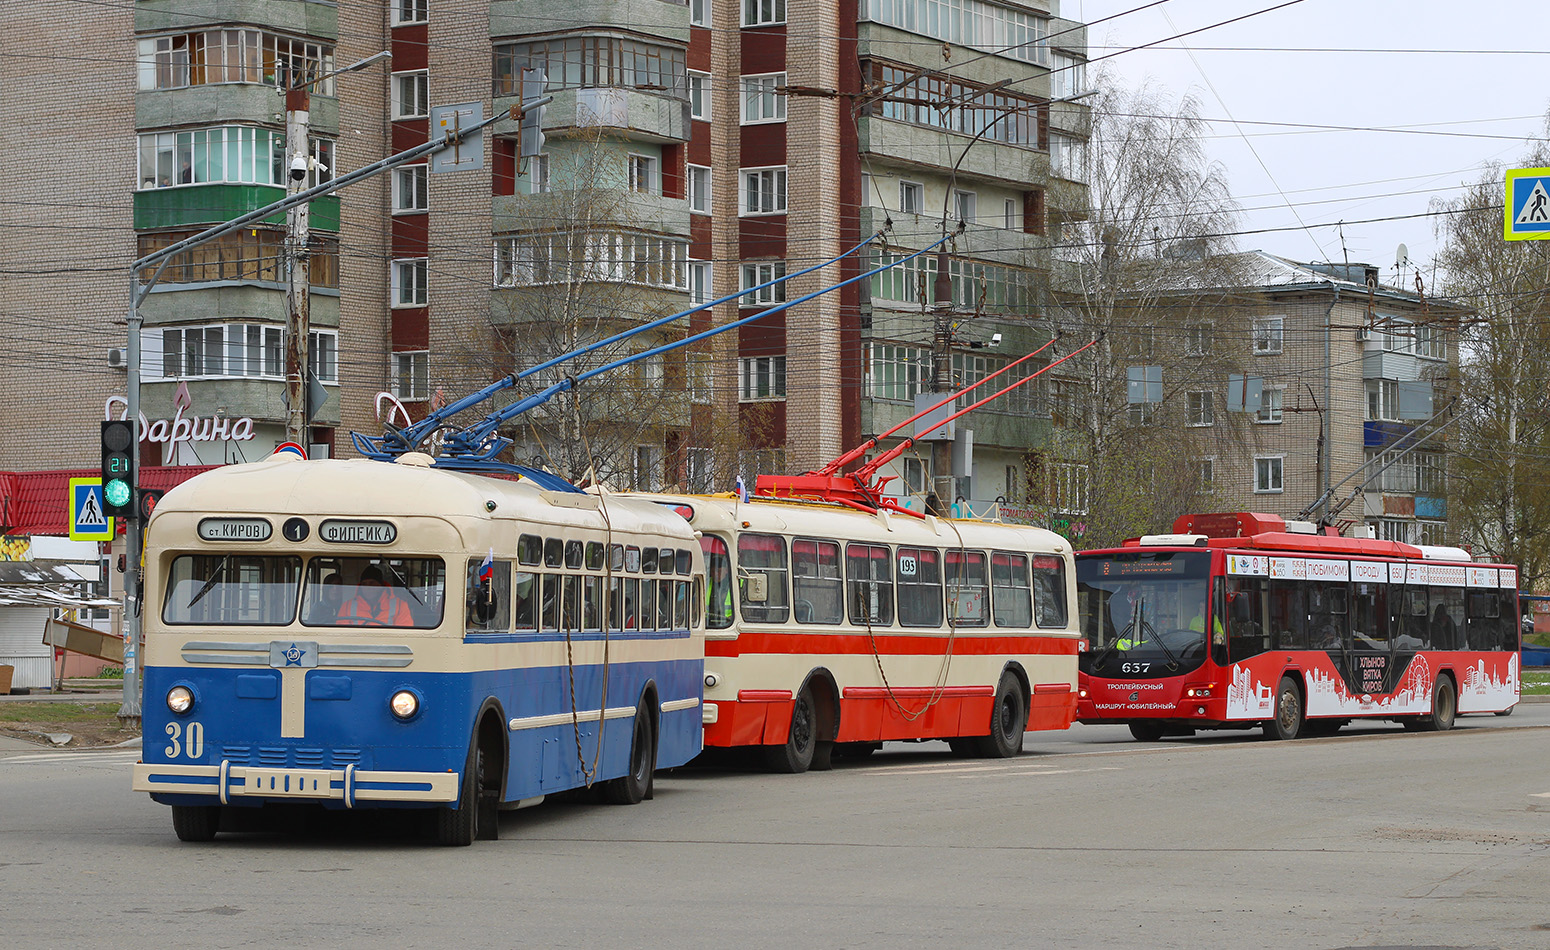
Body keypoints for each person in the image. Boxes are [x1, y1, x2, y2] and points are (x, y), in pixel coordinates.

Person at [338, 566, 414, 626]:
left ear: (381, 586)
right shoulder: (347, 606)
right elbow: (341, 634)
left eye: (372, 583)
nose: (368, 587)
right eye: (364, 584)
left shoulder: (400, 606)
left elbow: (404, 636)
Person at [707, 557, 734, 628]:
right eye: (713, 571)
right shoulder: (705, 583)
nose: (715, 574)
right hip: (707, 623)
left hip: (730, 623)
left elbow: (745, 607)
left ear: (726, 570)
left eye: (719, 571)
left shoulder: (736, 584)